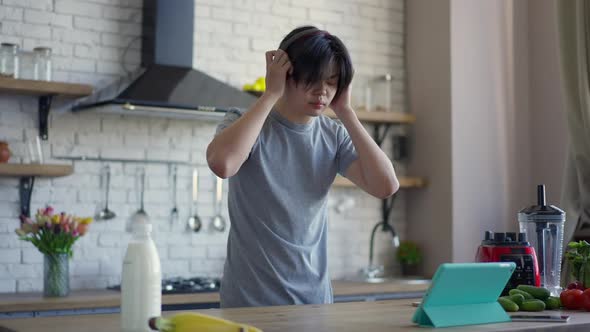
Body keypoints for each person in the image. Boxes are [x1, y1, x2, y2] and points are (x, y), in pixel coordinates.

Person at [206, 25, 399, 308]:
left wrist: (346, 111)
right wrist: (270, 93)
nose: (322, 91)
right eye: (312, 79)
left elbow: (386, 185)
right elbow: (223, 165)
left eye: (332, 82)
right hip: (249, 305)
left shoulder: (333, 135)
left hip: (314, 303)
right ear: (285, 73)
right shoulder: (243, 121)